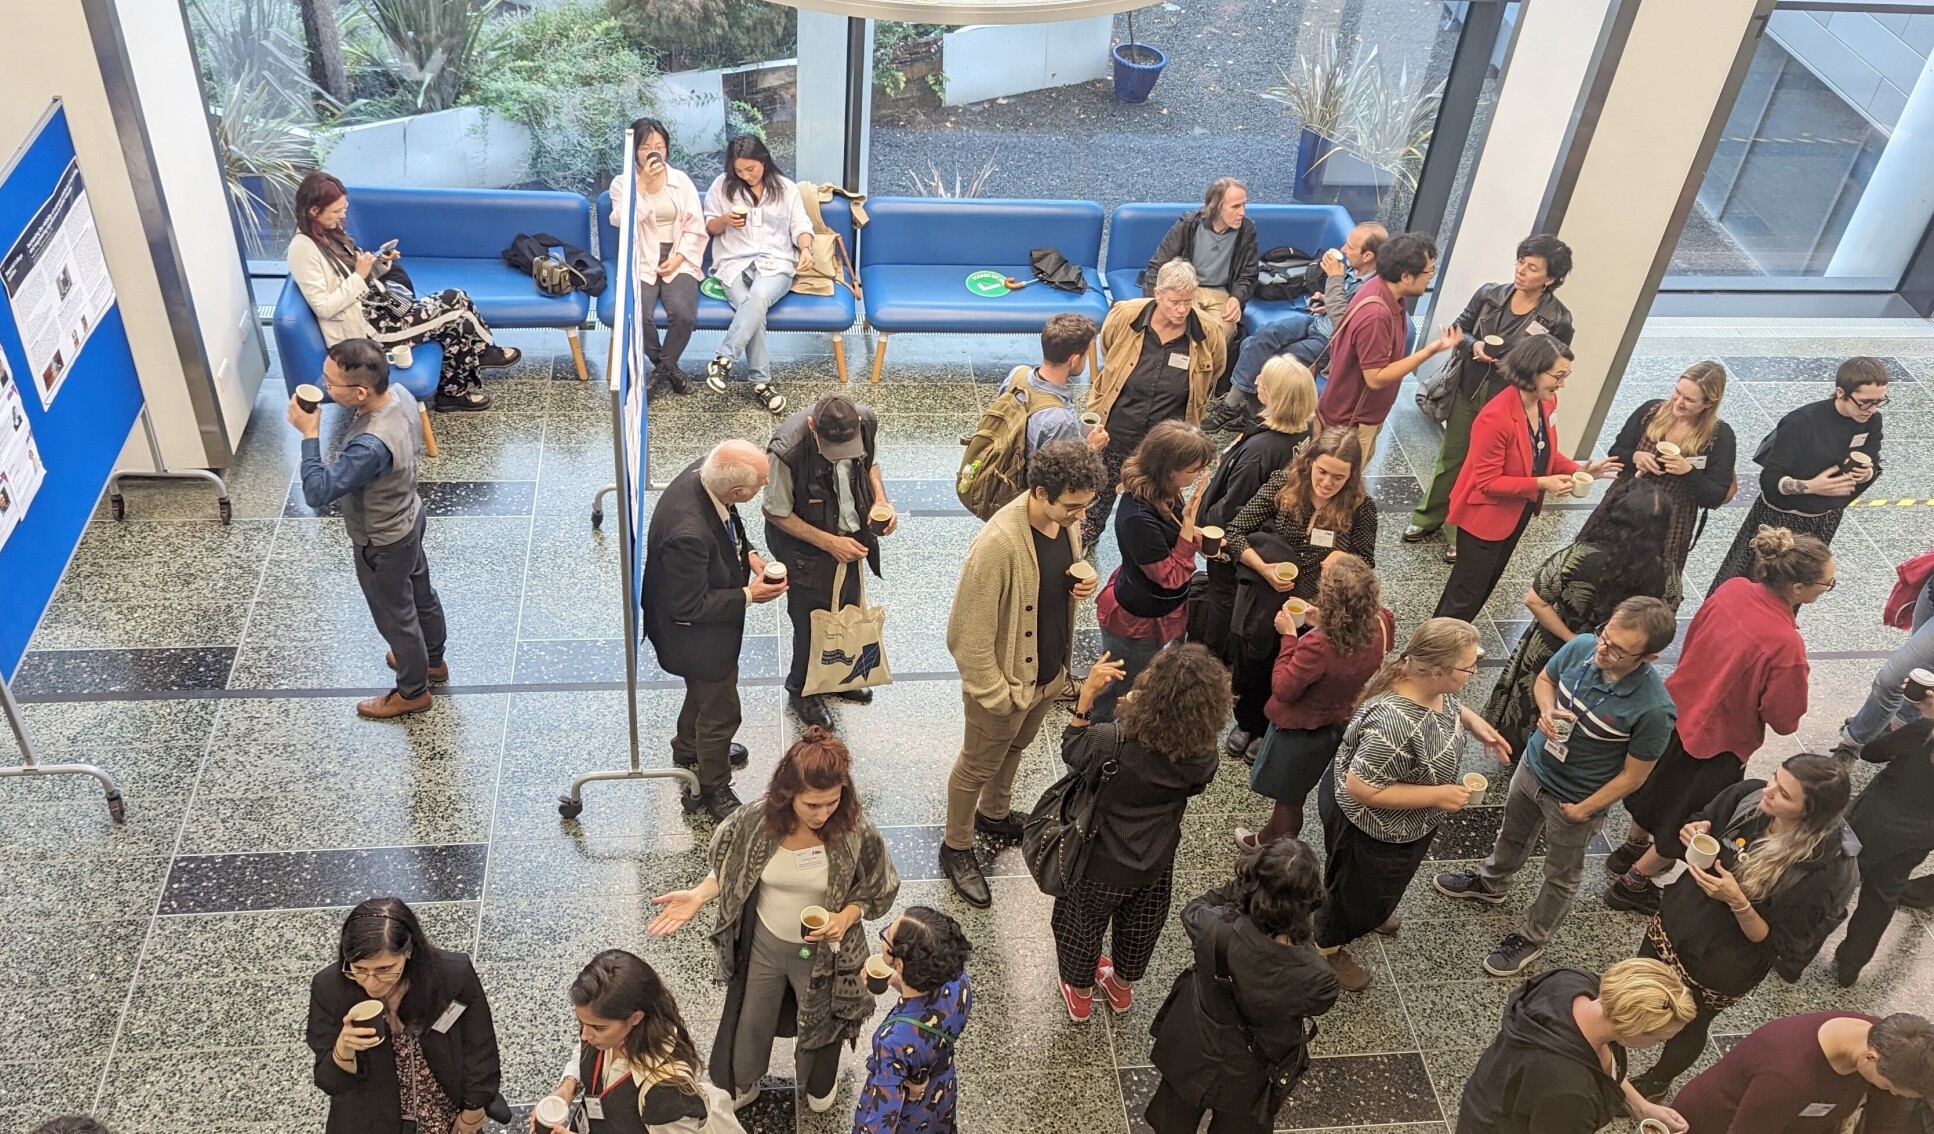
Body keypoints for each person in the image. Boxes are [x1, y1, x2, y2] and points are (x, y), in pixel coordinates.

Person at [647, 728, 901, 1114]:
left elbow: (877, 887)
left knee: (824, 1019)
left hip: (825, 952)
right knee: (751, 1020)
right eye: (812, 805)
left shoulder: (854, 830)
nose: (822, 814)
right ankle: (745, 1080)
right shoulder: (754, 821)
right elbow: (731, 869)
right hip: (765, 942)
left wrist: (845, 916)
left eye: (831, 802)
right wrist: (699, 894)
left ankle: (819, 1082)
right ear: (788, 795)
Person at [1434, 598, 1679, 979]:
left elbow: (1634, 775)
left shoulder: (1653, 709)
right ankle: (1491, 883)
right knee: (1511, 834)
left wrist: (1584, 809)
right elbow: (1546, 680)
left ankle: (1533, 936)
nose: (1603, 651)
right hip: (1534, 767)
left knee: (1561, 874)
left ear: (1648, 658)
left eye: (1618, 650)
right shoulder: (1584, 646)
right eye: (1605, 637)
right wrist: (1547, 711)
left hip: (1577, 799)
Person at [1605, 527, 1825, 915]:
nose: (1827, 588)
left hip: (1675, 708)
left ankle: (1631, 846)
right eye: (1827, 584)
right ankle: (1632, 883)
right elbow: (1785, 719)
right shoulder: (1785, 645)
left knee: (1654, 787)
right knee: (1689, 815)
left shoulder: (1733, 588)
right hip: (1718, 740)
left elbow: (1693, 641)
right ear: (1798, 589)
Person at [1628, 754, 1858, 1099]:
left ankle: (1657, 1081)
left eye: (1784, 794)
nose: (1769, 791)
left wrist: (1738, 902)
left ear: (1808, 813)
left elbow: (1777, 944)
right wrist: (1697, 827)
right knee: (1640, 979)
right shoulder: (1749, 796)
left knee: (1689, 1023)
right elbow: (1705, 817)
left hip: (1722, 960)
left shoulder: (1821, 873)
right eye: (1774, 779)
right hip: (1679, 918)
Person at [940, 440, 1107, 907]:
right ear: (1039, 491)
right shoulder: (997, 545)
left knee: (1015, 748)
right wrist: (996, 694)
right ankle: (956, 845)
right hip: (1006, 686)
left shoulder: (1061, 524)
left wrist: (1083, 583)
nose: (1080, 516)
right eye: (1072, 507)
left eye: (1084, 507)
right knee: (975, 765)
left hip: (1045, 677)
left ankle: (994, 815)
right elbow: (965, 635)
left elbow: (1054, 588)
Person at [1318, 617, 1511, 991]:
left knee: (1366, 887)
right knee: (1353, 893)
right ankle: (1327, 945)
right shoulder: (1395, 723)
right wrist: (1436, 795)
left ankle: (1367, 910)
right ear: (1436, 670)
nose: (1473, 671)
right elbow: (1361, 787)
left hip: (1401, 825)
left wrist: (1472, 722)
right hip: (1372, 829)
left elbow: (1448, 703)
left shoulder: (1427, 684)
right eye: (1468, 667)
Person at [1052, 643, 1228, 1021]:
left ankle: (1080, 995)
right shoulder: (1203, 755)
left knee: (1080, 925)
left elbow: (1073, 750)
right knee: (1140, 926)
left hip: (1098, 858)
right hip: (1156, 859)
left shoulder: (1111, 740)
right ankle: (1120, 988)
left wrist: (1085, 699)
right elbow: (1194, 787)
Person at [289, 339, 447, 720]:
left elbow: (317, 491)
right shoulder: (401, 394)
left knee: (396, 615)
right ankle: (433, 661)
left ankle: (412, 691)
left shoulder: (369, 447)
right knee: (421, 593)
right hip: (409, 515)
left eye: (331, 384)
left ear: (360, 391)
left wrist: (310, 435)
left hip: (382, 539)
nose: (324, 387)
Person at [1145, 838, 1341, 1134]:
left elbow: (1195, 908)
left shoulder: (1214, 928)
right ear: (1310, 900)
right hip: (1253, 1068)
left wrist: (1243, 890)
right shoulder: (1317, 976)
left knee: (1174, 1118)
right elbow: (1317, 1003)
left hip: (1194, 1043)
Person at [643, 440, 789, 822]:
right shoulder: (687, 534)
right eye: (759, 485)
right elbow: (687, 606)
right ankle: (713, 785)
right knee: (721, 710)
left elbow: (729, 520)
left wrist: (749, 554)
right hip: (695, 639)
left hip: (699, 633)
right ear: (737, 490)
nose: (762, 489)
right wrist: (749, 594)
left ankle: (687, 747)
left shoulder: (707, 472)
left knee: (703, 695)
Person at [1408, 234, 1576, 561]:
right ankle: (1427, 516)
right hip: (1471, 387)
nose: (1521, 272)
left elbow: (1556, 362)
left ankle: (1457, 531)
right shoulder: (1490, 295)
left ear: (1550, 279)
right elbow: (1460, 329)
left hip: (1509, 401)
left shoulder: (1557, 320)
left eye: (1532, 268)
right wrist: (1474, 345)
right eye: (1520, 263)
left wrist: (1511, 364)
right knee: (1452, 458)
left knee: (1483, 470)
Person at [288, 171, 516, 412]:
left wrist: (378, 263)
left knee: (457, 303)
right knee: (457, 312)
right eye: (336, 211)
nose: (343, 215)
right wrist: (360, 274)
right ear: (314, 211)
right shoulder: (302, 248)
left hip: (381, 309)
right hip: (368, 331)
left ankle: (466, 374)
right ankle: (473, 364)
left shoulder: (330, 234)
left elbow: (356, 276)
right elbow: (323, 307)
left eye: (344, 208)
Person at [1482, 480, 1678, 760]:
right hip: (1618, 661)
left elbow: (1535, 600)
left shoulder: (1580, 555)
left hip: (1553, 645)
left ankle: (1521, 754)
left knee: (1536, 700)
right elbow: (1664, 617)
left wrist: (1574, 639)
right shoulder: (1666, 574)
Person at [1434, 335, 1621, 622]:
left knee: (1485, 584)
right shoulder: (1495, 417)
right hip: (1484, 518)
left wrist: (1577, 470)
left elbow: (1543, 454)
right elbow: (1488, 482)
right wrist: (1542, 484)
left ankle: (1454, 637)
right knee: (1466, 592)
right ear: (1532, 370)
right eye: (1558, 376)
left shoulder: (1546, 402)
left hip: (1516, 510)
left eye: (1565, 376)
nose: (1562, 384)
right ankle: (1434, 649)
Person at [1220, 429, 1377, 761]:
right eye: (1322, 472)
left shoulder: (1361, 508)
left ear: (1351, 476)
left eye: (1338, 477)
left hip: (1314, 607)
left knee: (1294, 668)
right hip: (1266, 595)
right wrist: (1264, 569)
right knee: (1254, 662)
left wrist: (1345, 560)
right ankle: (1247, 721)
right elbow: (1235, 531)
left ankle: (1269, 726)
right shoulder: (1283, 484)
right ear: (1309, 463)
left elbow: (1366, 562)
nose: (1327, 482)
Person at [306, 897, 509, 1134]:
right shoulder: (330, 988)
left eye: (384, 969)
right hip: (372, 1119)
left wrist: (474, 1109)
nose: (371, 982)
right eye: (359, 969)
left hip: (441, 1111)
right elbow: (329, 1081)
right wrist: (344, 1047)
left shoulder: (452, 977)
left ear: (409, 951)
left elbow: (479, 1047)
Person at [1236, 553, 1393, 849]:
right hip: (1340, 717)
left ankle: (1275, 845)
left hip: (1300, 726)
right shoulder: (1382, 622)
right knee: (1299, 787)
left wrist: (1289, 637)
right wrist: (1322, 619)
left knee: (1289, 797)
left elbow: (1284, 689)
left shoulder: (1318, 646)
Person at [765, 393, 897, 730]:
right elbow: (776, 512)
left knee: (846, 610)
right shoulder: (787, 450)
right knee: (812, 621)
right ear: (812, 427)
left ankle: (838, 678)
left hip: (852, 539)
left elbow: (872, 465)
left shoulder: (864, 421)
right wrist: (829, 543)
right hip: (806, 551)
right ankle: (802, 691)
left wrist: (881, 500)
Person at [1455, 957, 1698, 1134]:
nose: (1658, 1045)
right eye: (1659, 1039)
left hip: (1488, 1099)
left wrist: (1641, 1106)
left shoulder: (1571, 982)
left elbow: (1599, 1067)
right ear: (1631, 1028)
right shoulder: (1571, 1093)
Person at [1081, 258, 1229, 546]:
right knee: (1099, 491)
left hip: (1166, 443)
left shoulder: (1209, 331)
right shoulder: (1126, 315)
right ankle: (1088, 537)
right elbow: (1109, 348)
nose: (1182, 309)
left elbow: (1215, 371)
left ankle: (1155, 545)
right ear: (1157, 294)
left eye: (1188, 301)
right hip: (1118, 428)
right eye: (1174, 301)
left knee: (1161, 498)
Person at [1709, 356, 1887, 591]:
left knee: (1796, 588)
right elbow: (1769, 480)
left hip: (1824, 517)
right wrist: (1812, 486)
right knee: (1752, 582)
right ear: (1841, 392)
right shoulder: (1801, 423)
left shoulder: (1872, 421)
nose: (1871, 410)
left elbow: (1872, 454)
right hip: (1780, 519)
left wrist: (1866, 472)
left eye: (1879, 402)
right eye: (1865, 402)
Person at [531, 950, 743, 1134]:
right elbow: (583, 1052)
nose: (585, 1036)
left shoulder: (668, 1092)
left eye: (597, 1027)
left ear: (635, 1018)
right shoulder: (605, 1031)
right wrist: (567, 1087)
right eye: (581, 1023)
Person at [1193, 356, 1319, 661]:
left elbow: (1234, 506)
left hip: (1233, 545)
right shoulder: (1305, 429)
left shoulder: (1260, 451)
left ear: (1277, 396)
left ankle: (1213, 658)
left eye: (1264, 379)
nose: (1257, 381)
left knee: (1224, 599)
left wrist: (1204, 525)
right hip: (1266, 538)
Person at [1204, 222, 1386, 433]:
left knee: (1265, 356)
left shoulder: (1374, 290)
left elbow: (1345, 325)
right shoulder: (1355, 272)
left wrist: (1335, 278)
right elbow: (1344, 306)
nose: (1344, 250)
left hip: (1329, 343)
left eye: (1350, 247)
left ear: (1368, 256)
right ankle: (1250, 412)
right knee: (1262, 336)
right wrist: (1326, 301)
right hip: (1315, 322)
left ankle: (1236, 408)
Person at [1091, 421, 1216, 722]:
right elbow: (1170, 576)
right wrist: (1188, 529)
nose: (1197, 476)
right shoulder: (1137, 515)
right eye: (1192, 470)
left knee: (1141, 674)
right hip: (1136, 619)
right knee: (1119, 685)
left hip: (1153, 609)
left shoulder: (1166, 490)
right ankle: (1096, 743)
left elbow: (1168, 534)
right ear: (1169, 468)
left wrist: (1191, 532)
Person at [1312, 231, 1463, 464]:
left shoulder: (1381, 288)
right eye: (1428, 271)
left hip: (1356, 414)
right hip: (1351, 421)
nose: (1430, 277)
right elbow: (1375, 377)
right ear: (1406, 276)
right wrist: (1431, 349)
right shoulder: (1377, 315)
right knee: (1337, 487)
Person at [1669, 1011, 1934, 1134]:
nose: (1889, 1093)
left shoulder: (1893, 1044)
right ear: (1870, 1057)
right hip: (1713, 1125)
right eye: (1887, 1087)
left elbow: (1888, 1117)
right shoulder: (1787, 1076)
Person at [701, 135, 815, 415]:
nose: (745, 176)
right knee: (750, 306)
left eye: (750, 169)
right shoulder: (722, 186)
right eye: (738, 171)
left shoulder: (786, 189)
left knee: (759, 296)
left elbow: (801, 225)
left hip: (776, 264)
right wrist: (727, 219)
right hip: (733, 262)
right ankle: (762, 384)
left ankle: (724, 359)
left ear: (763, 161)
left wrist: (807, 249)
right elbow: (709, 227)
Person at [1595, 361, 1737, 576]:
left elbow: (1715, 496)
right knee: (1599, 564)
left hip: (1670, 519)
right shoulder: (1650, 411)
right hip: (1626, 504)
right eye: (1677, 393)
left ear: (1709, 403)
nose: (1678, 402)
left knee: (1648, 577)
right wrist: (1635, 456)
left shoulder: (1720, 436)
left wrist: (1688, 472)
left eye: (1689, 400)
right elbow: (1617, 451)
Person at [1836, 698, 1934, 986]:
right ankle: (1849, 966)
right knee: (1883, 893)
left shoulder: (1922, 731)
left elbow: (1872, 753)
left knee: (1838, 879)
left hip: (1874, 821)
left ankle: (1798, 953)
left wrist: (1895, 725)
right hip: (1922, 833)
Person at [853, 907, 974, 1134]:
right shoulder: (959, 981)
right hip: (940, 1091)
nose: (886, 932)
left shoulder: (893, 1041)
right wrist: (897, 980)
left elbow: (882, 1119)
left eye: (888, 936)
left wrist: (906, 1084)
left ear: (899, 964)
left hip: (909, 1117)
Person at [610, 117, 707, 401]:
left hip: (679, 252)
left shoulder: (681, 181)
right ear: (634, 151)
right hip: (642, 255)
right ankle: (671, 371)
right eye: (646, 147)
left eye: (660, 146)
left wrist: (678, 258)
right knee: (640, 315)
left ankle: (661, 372)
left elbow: (695, 226)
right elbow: (621, 221)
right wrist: (641, 185)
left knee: (684, 314)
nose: (654, 152)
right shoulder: (622, 184)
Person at [1140, 177, 1258, 346]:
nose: (1242, 212)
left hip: (1221, 293)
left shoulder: (1247, 230)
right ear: (1217, 207)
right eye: (1235, 206)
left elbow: (1248, 274)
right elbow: (1158, 264)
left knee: (1221, 333)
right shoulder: (1189, 225)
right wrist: (1153, 303)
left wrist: (1237, 298)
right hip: (1186, 290)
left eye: (1244, 205)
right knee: (1181, 327)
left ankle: (1205, 371)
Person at [1022, 314, 1108, 456]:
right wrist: (1091, 448)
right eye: (1086, 356)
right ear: (1073, 360)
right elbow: (1062, 475)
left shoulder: (1018, 374)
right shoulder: (1061, 422)